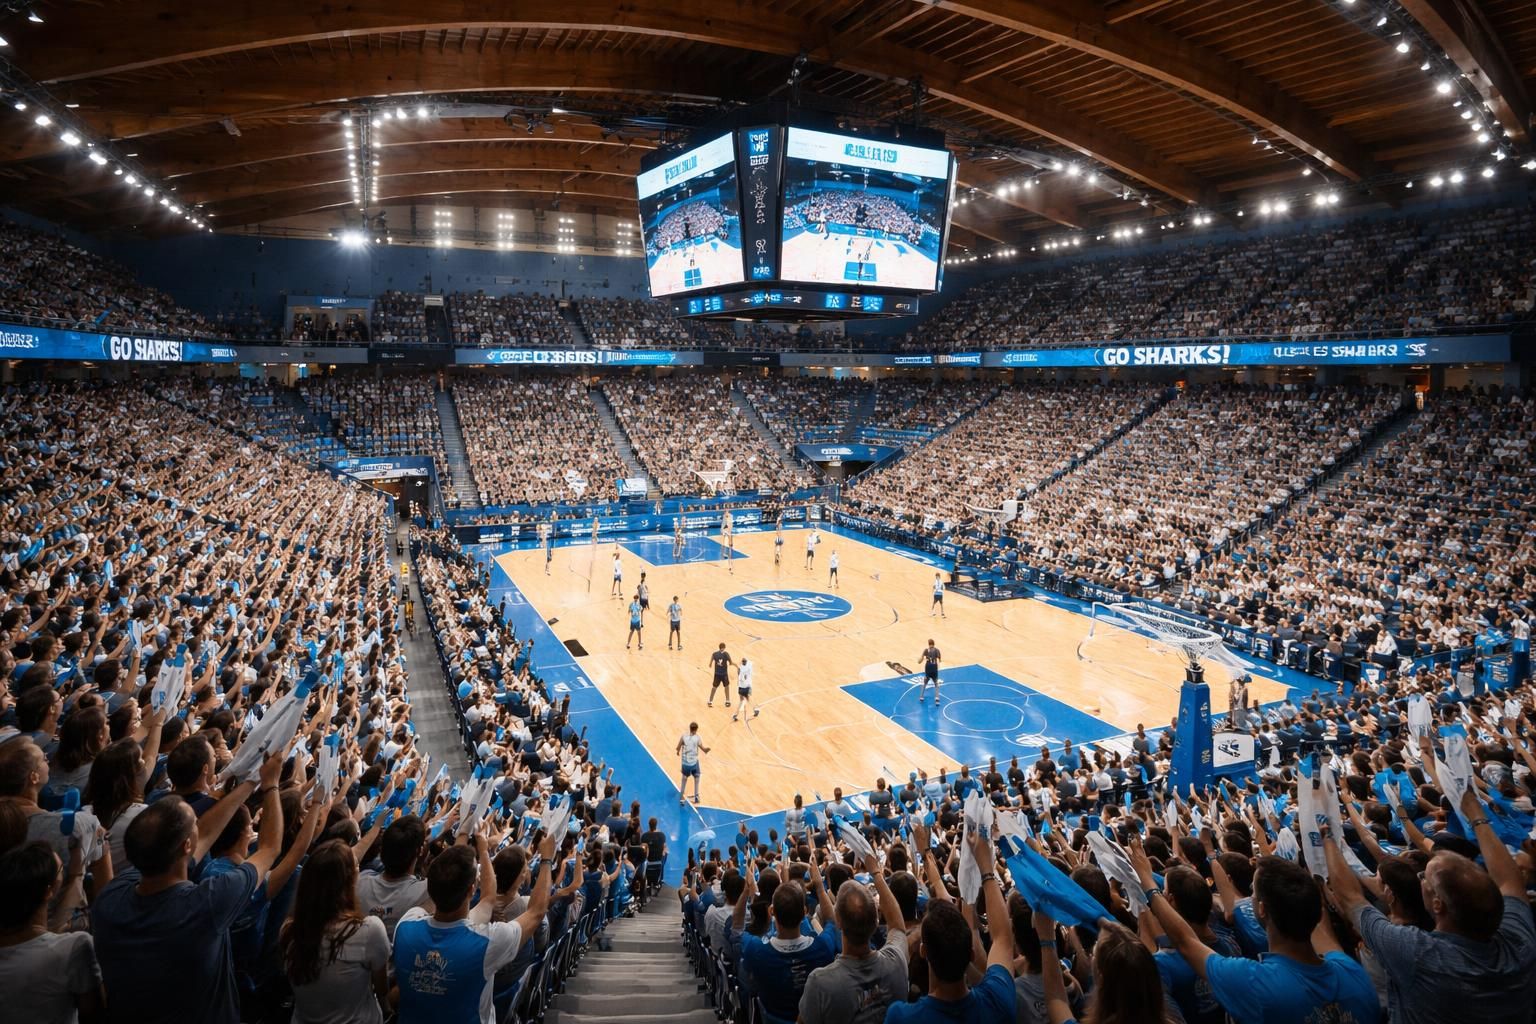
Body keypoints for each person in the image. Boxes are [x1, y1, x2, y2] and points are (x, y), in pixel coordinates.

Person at [92, 751, 286, 1024]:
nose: (200, 823)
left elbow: (204, 834)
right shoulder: (207, 904)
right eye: (193, 822)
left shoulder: (112, 895)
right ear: (186, 846)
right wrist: (271, 785)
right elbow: (269, 848)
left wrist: (250, 783)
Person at [1321, 788, 1536, 1024]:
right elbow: (1509, 880)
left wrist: (1328, 839)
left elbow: (1351, 899)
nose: (1421, 877)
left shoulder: (1416, 953)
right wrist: (1476, 814)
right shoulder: (1518, 940)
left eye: (1426, 877)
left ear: (1438, 904)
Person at [1129, 839, 1378, 1024]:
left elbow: (1185, 941)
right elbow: (1324, 929)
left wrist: (1148, 883)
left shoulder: (1254, 982)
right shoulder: (1352, 971)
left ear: (1262, 910)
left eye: (1253, 891)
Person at [393, 828, 556, 1024]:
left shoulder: (406, 925)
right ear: (472, 890)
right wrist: (547, 859)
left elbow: (487, 900)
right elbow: (536, 912)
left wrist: (484, 850)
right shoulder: (487, 943)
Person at [886, 829, 1015, 1023]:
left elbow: (1001, 937)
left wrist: (925, 853)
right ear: (971, 954)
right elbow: (1003, 938)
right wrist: (986, 869)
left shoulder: (901, 1017)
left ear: (923, 951)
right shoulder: (998, 1000)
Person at [281, 839, 391, 1024]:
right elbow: (381, 989)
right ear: (350, 880)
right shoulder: (369, 930)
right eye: (356, 865)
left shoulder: (289, 930)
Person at [0, 840, 105, 1024]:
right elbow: (95, 1015)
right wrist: (77, 875)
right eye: (60, 870)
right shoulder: (74, 948)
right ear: (48, 891)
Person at [799, 849, 909, 1024]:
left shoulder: (820, 983)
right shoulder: (896, 961)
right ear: (876, 921)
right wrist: (876, 874)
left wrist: (820, 887)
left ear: (839, 922)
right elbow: (897, 926)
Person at [356, 814, 431, 936]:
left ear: (383, 849)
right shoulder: (426, 892)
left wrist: (376, 828)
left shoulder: (360, 881)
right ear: (420, 851)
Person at [677, 722, 708, 804]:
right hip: (694, 763)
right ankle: (696, 797)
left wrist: (677, 752)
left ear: (690, 728)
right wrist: (706, 750)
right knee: (697, 777)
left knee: (684, 779)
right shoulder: (697, 738)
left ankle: (681, 798)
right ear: (696, 729)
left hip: (685, 763)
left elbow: (678, 747)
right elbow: (703, 749)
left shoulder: (683, 736)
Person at [709, 643, 735, 708]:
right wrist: (733, 664)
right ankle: (727, 701)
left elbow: (712, 656)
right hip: (724, 674)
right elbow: (731, 662)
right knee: (726, 686)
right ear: (724, 647)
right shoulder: (726, 654)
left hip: (717, 674)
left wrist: (710, 663)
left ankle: (710, 701)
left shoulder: (715, 653)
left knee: (714, 687)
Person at [733, 658, 758, 722]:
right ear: (746, 663)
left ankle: (735, 715)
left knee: (741, 701)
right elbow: (751, 663)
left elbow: (737, 665)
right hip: (746, 687)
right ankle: (755, 710)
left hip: (740, 688)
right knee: (749, 699)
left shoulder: (739, 670)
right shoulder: (748, 669)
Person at [919, 640, 942, 705]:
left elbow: (919, 661)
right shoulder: (937, 650)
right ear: (934, 644)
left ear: (928, 644)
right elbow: (939, 660)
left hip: (928, 667)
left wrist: (921, 659)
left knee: (925, 682)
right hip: (934, 667)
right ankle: (937, 698)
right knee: (936, 683)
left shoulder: (926, 650)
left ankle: (921, 697)